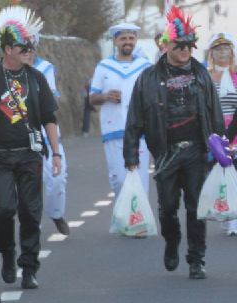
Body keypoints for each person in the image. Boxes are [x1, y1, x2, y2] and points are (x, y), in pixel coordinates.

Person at [124, 7, 224, 279]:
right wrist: (131, 156)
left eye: (189, 45)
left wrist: (221, 150)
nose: (185, 50)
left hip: (196, 151)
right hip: (166, 152)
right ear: (165, 44)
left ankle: (196, 259)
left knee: (196, 207)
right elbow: (135, 119)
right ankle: (172, 240)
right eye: (179, 45)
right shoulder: (147, 78)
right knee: (168, 209)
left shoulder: (202, 75)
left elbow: (215, 114)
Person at [0, 6, 61, 290]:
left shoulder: (36, 78)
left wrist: (56, 152)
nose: (29, 51)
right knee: (3, 209)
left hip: (30, 155)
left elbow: (50, 118)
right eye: (23, 47)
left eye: (30, 46)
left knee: (31, 211)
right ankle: (8, 253)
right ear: (7, 49)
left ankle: (29, 267)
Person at [89, 23, 152, 197]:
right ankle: (122, 213)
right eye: (123, 38)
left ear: (136, 40)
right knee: (119, 180)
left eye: (131, 38)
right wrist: (106, 96)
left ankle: (140, 215)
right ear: (115, 41)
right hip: (114, 130)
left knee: (140, 182)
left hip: (140, 132)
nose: (127, 42)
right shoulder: (104, 66)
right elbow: (92, 98)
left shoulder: (145, 66)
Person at [24, 46, 70, 235]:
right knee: (29, 183)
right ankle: (33, 226)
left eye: (30, 46)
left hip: (46, 134)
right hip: (21, 137)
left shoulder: (45, 68)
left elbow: (51, 104)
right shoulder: (1, 73)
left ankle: (56, 213)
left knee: (57, 177)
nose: (27, 51)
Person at [205, 33, 237, 235]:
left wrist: (231, 132)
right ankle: (228, 217)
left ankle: (234, 222)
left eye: (226, 48)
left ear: (232, 52)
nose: (222, 52)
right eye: (217, 49)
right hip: (213, 132)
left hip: (236, 131)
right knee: (223, 175)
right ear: (211, 54)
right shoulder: (205, 77)